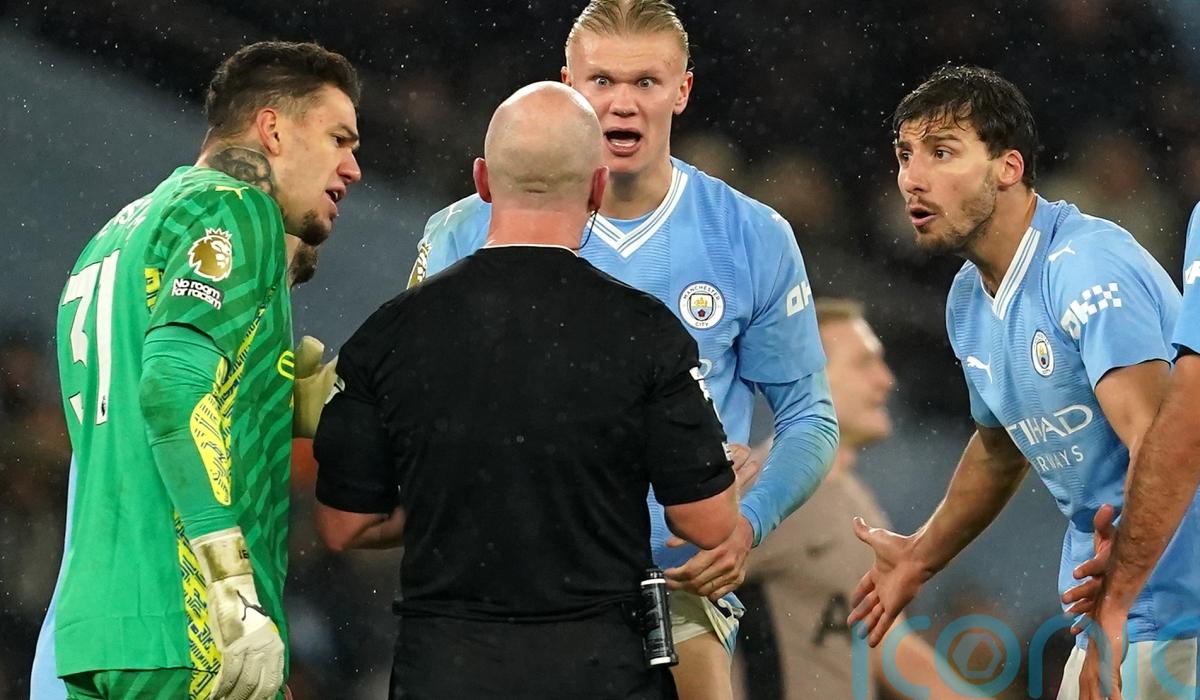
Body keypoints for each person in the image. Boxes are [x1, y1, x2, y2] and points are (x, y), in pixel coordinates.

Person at [409, 2, 839, 695]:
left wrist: (745, 526)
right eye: (601, 81)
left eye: (646, 82)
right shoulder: (465, 230)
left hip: (670, 586)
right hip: (503, 581)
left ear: (682, 90)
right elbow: (413, 412)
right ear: (567, 86)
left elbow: (810, 418)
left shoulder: (751, 236)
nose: (622, 104)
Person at [313, 81, 739, 699]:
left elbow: (343, 526)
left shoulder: (391, 333)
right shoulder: (647, 333)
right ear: (597, 187)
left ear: (483, 181)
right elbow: (708, 521)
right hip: (599, 670)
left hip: (447, 670)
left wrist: (450, 507)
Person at [847, 65, 1197, 700]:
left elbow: (1163, 443)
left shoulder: (1086, 268)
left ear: (1008, 167)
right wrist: (922, 554)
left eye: (942, 152)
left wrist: (1116, 608)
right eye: (904, 155)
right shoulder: (967, 299)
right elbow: (1002, 444)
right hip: (1114, 610)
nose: (912, 178)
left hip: (1178, 609)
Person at [47, 41, 361, 700]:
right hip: (191, 622)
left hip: (98, 630)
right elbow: (171, 387)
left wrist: (275, 402)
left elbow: (139, 402)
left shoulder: (117, 233)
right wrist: (233, 588)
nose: (352, 167)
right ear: (273, 129)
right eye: (339, 138)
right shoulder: (236, 206)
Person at [733, 299, 972, 700]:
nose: (887, 380)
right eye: (864, 363)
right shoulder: (763, 489)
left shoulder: (857, 502)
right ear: (807, 377)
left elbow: (888, 648)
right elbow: (681, 608)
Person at [1069, 201, 1200, 700]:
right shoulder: (968, 301)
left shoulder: (1089, 262)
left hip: (1169, 620)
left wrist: (1117, 598)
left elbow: (1187, 423)